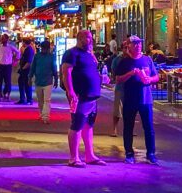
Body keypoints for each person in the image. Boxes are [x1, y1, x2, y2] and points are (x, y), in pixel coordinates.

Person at [61, 29, 110, 167]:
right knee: (77, 124)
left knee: (88, 125)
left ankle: (89, 155)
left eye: (90, 37)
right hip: (80, 96)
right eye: (87, 37)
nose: (90, 39)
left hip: (92, 96)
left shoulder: (89, 54)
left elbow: (91, 71)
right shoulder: (71, 53)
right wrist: (70, 91)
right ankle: (74, 157)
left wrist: (101, 78)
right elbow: (66, 72)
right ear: (80, 38)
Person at [112, 34, 160, 164]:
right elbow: (118, 79)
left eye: (139, 43)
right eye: (135, 44)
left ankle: (151, 153)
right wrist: (131, 73)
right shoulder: (124, 61)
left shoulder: (147, 60)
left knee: (148, 127)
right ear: (129, 46)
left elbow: (156, 77)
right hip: (130, 99)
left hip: (146, 99)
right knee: (128, 127)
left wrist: (150, 79)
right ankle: (129, 153)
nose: (138, 46)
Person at [32, 40, 57, 123]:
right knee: (40, 100)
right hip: (38, 81)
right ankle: (41, 114)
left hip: (48, 81)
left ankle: (45, 117)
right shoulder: (37, 56)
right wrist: (30, 77)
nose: (44, 50)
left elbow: (54, 68)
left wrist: (56, 79)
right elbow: (33, 67)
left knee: (47, 100)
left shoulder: (51, 57)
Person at [0, 34, 19, 100]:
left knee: (8, 81)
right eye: (1, 38)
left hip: (8, 66)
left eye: (3, 38)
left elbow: (18, 52)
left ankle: (7, 95)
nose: (2, 40)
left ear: (7, 39)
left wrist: (15, 61)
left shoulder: (10, 47)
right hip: (1, 66)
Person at [17, 38, 35, 104]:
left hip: (26, 70)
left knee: (26, 84)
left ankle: (28, 99)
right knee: (22, 83)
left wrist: (23, 68)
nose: (22, 43)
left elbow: (29, 62)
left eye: (22, 42)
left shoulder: (29, 50)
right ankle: (23, 99)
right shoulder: (28, 49)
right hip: (25, 70)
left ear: (24, 42)